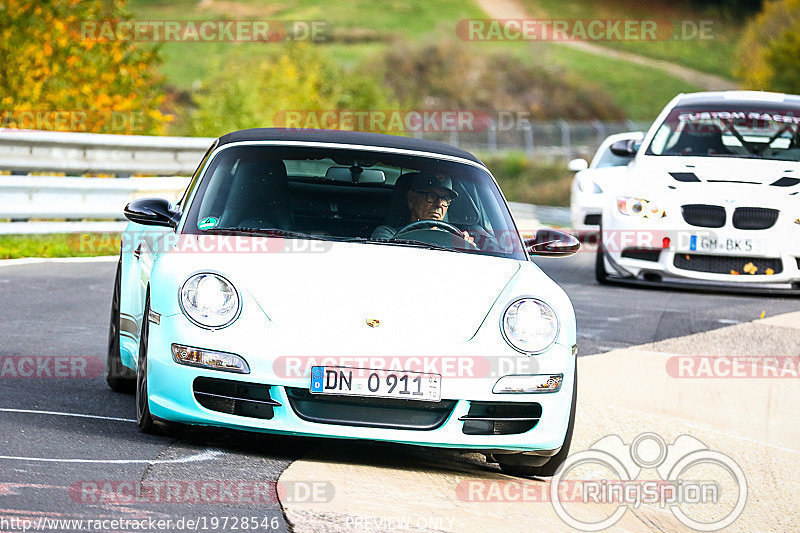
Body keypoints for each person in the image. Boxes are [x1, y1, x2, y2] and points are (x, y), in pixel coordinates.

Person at [371, 172, 474, 243]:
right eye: (431, 196)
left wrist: (464, 247)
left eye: (445, 199)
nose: (439, 204)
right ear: (411, 199)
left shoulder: (455, 239)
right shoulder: (387, 234)